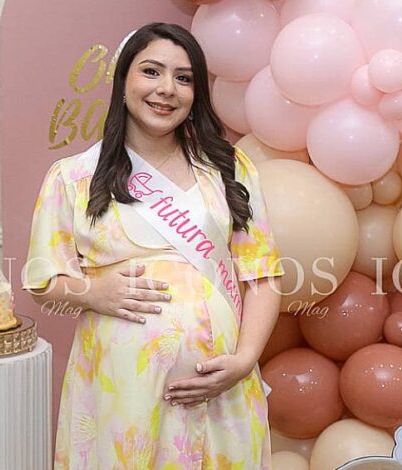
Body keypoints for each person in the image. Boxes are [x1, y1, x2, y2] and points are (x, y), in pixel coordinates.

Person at [23, 22, 283, 469]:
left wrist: (244, 360)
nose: (167, 89)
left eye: (184, 78)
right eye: (151, 71)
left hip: (221, 393)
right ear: (123, 80)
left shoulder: (228, 168)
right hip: (121, 393)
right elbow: (43, 281)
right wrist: (94, 291)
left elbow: (262, 273)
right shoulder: (74, 177)